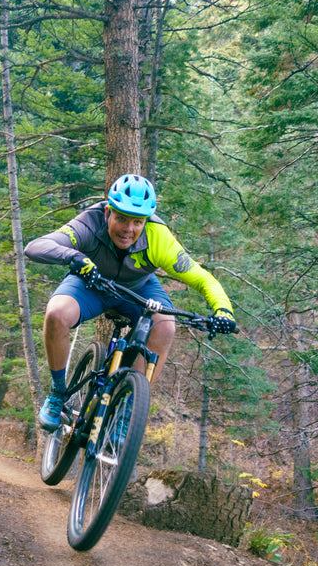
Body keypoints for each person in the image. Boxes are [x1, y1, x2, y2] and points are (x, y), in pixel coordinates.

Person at [24, 173, 237, 431]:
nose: (129, 229)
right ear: (107, 214)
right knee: (57, 314)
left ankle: (126, 412)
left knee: (166, 326)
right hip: (92, 284)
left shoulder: (159, 237)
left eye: (138, 222)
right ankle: (58, 394)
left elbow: (203, 278)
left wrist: (223, 310)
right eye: (122, 218)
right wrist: (75, 258)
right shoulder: (90, 222)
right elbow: (36, 246)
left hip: (138, 289)